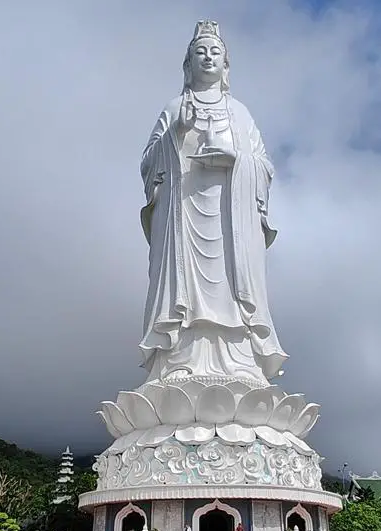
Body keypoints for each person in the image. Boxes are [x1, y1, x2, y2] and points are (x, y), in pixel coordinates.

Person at [138, 19, 287, 385]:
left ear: (226, 64)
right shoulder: (174, 109)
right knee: (184, 291)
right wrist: (175, 133)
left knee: (232, 291)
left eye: (215, 52)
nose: (208, 57)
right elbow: (147, 164)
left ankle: (240, 363)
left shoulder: (240, 113)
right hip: (183, 216)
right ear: (188, 63)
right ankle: (179, 361)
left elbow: (264, 166)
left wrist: (235, 159)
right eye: (200, 52)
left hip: (230, 220)